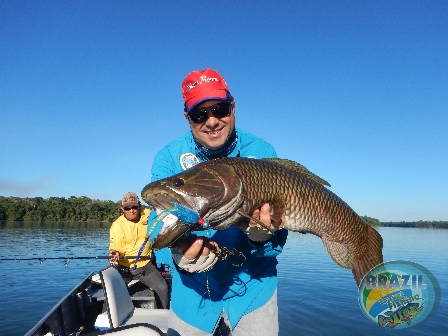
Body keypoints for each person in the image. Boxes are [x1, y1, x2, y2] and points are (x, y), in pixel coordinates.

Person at [149, 68, 288, 335]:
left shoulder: (262, 152)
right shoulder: (168, 158)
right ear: (187, 117)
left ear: (233, 106)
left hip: (254, 292)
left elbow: (279, 235)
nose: (211, 121)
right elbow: (156, 226)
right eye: (200, 114)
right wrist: (178, 251)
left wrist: (263, 239)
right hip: (192, 297)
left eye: (220, 109)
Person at [109, 191, 169, 309]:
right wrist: (114, 253)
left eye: (134, 207)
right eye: (127, 208)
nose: (131, 210)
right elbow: (116, 247)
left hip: (145, 264)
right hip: (124, 266)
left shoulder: (148, 214)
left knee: (163, 288)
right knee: (114, 294)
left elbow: (162, 211)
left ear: (139, 206)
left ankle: (160, 314)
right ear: (122, 208)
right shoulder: (117, 225)